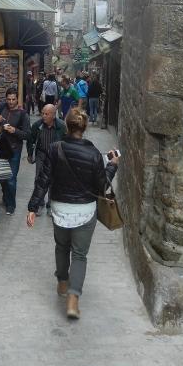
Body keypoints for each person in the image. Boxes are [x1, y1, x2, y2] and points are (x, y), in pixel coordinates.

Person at [26, 107, 119, 320]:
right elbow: (102, 185)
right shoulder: (94, 154)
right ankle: (73, 299)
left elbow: (43, 180)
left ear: (66, 125)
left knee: (61, 246)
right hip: (85, 211)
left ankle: (61, 281)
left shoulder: (54, 148)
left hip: (59, 208)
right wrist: (112, 165)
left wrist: (32, 207)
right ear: (84, 128)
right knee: (79, 255)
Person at [0, 87, 30, 215]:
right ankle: (5, 198)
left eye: (13, 99)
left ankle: (11, 205)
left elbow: (27, 134)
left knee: (11, 178)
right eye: (8, 99)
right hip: (1, 148)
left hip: (15, 149)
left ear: (17, 99)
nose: (10, 102)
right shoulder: (1, 107)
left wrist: (14, 131)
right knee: (3, 176)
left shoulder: (22, 114)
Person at [27, 104, 68, 216]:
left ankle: (50, 204)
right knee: (39, 179)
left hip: (55, 157)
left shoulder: (61, 127)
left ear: (53, 115)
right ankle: (40, 204)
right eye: (43, 113)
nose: (43, 116)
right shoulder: (37, 125)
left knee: (53, 181)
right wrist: (30, 154)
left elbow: (66, 142)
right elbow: (30, 140)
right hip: (41, 154)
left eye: (46, 114)